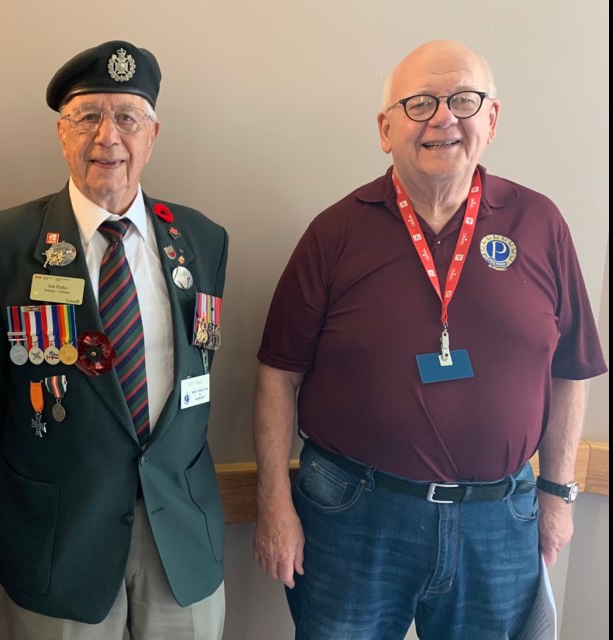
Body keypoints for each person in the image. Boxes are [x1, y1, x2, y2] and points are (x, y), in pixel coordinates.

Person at [253, 39, 607, 639]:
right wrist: (273, 503)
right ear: (385, 128)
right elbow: (277, 375)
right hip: (354, 516)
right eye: (419, 104)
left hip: (500, 519)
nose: (443, 118)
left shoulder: (541, 224)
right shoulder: (334, 232)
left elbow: (571, 368)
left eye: (463, 100)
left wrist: (558, 493)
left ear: (490, 119)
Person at [0, 40, 228, 640]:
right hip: (60, 539)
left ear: (152, 134)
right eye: (88, 117)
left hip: (180, 535)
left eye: (127, 118)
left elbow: (199, 373)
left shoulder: (204, 240)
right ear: (62, 132)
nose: (108, 137)